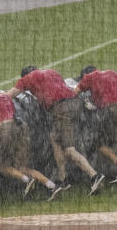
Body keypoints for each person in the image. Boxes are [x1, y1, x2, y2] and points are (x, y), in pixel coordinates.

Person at [6, 66, 107, 194]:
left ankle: (95, 176)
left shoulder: (27, 79)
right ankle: (62, 179)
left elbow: (8, 96)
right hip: (72, 103)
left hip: (61, 108)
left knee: (69, 150)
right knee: (55, 138)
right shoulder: (51, 72)